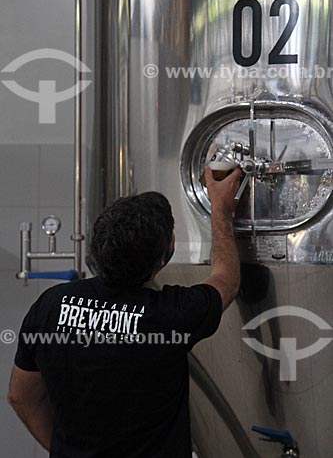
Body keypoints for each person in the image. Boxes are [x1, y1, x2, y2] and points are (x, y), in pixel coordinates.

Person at [8, 166, 241, 458]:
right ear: (163, 258)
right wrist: (221, 210)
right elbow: (226, 281)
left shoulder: (50, 305)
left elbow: (21, 397)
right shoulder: (170, 316)